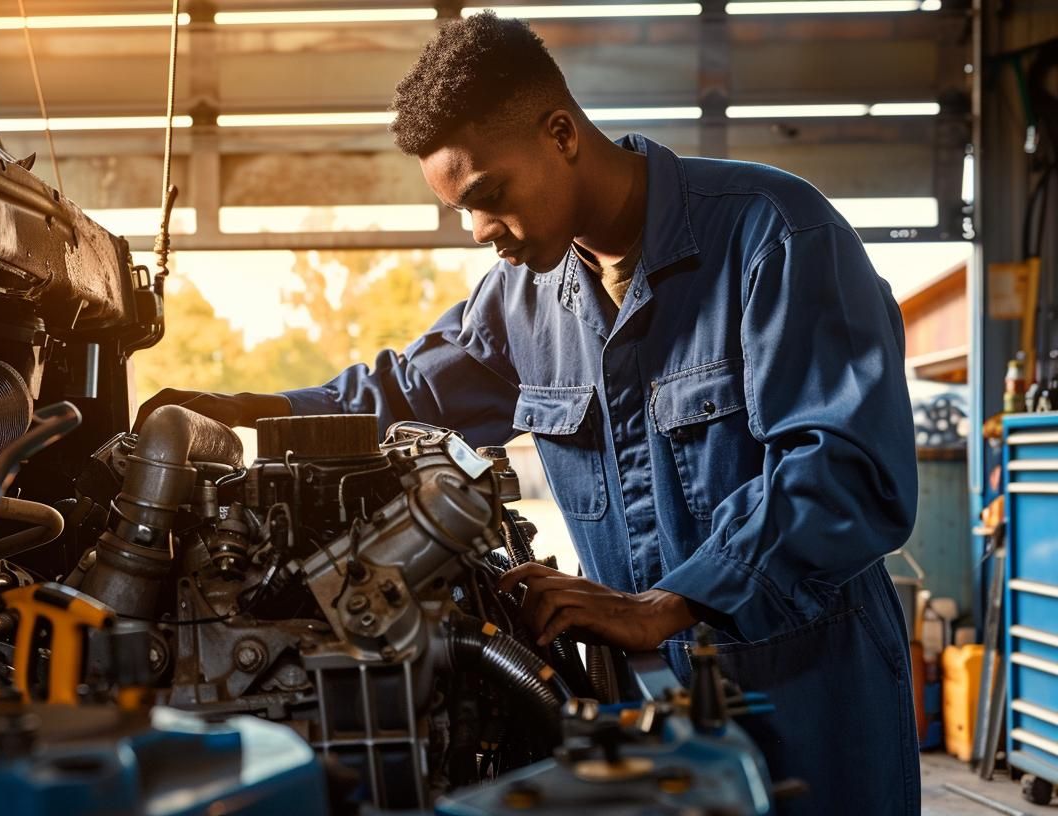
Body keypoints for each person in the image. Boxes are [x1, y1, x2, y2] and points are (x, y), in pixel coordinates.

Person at [137, 12, 918, 813]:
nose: (481, 232)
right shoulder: (523, 300)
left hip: (807, 692)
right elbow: (403, 392)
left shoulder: (775, 235)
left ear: (561, 133)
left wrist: (665, 604)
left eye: (490, 195)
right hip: (641, 704)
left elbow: (848, 469)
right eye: (462, 211)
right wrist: (237, 408)